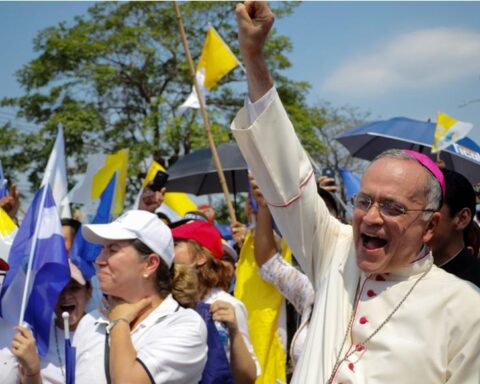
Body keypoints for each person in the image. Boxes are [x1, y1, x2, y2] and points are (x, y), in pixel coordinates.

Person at [231, 2, 480, 383]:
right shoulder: (335, 251)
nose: (372, 216)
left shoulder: (465, 308)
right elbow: (284, 171)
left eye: (393, 207)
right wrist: (254, 57)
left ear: (430, 227)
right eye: (364, 201)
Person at [74, 209, 207, 384]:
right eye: (102, 249)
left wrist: (119, 323)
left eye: (112, 250)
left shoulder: (185, 325)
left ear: (150, 264)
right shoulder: (90, 322)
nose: (99, 260)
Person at [172, 220, 260, 384]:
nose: (167, 250)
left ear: (199, 258)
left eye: (176, 244)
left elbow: (248, 377)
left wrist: (234, 332)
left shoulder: (228, 305)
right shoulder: (166, 301)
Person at [1, 261, 91, 384]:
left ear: (89, 292)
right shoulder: (34, 336)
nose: (66, 296)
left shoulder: (105, 330)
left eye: (74, 288)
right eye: (58, 288)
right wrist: (32, 370)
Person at [428, 168, 480, 286]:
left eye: (428, 210)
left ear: (462, 218)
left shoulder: (474, 290)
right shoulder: (395, 269)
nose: (416, 219)